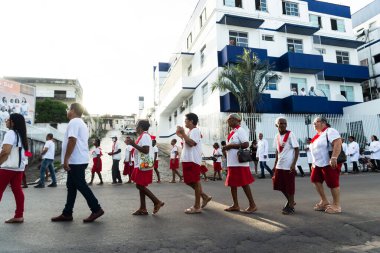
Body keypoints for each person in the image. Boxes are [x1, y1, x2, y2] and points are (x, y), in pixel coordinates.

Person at [51, 103, 104, 222]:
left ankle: (96, 209)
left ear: (73, 110)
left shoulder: (74, 122)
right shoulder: (80, 123)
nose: (67, 111)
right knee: (71, 186)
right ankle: (67, 213)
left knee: (80, 185)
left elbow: (72, 140)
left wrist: (66, 159)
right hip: (78, 159)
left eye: (68, 109)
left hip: (76, 161)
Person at [126, 120, 164, 215]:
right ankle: (143, 208)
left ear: (141, 127)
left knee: (139, 185)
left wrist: (133, 144)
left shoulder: (146, 136)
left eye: (137, 125)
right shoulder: (142, 136)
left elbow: (146, 150)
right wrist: (132, 143)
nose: (136, 127)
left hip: (143, 164)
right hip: (140, 163)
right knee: (140, 185)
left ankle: (157, 201)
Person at [176, 113, 212, 214]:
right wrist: (181, 135)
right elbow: (188, 142)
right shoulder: (190, 131)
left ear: (191, 121)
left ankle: (197, 206)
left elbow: (192, 143)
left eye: (186, 120)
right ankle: (204, 196)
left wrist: (183, 134)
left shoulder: (195, 130)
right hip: (188, 159)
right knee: (188, 181)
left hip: (192, 160)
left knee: (195, 181)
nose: (185, 122)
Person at [223, 113, 257, 213]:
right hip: (232, 163)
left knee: (244, 183)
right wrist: (226, 148)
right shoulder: (233, 132)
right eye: (228, 120)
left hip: (239, 163)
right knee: (232, 184)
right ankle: (235, 205)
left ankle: (252, 205)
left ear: (236, 120)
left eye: (230, 119)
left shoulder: (240, 130)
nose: (228, 121)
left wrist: (230, 146)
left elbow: (246, 144)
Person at [309, 116, 343, 214]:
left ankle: (336, 205)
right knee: (315, 179)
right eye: (313, 123)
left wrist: (334, 157)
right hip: (318, 163)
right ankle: (324, 201)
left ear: (323, 122)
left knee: (332, 183)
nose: (314, 124)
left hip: (329, 162)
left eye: (316, 122)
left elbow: (338, 142)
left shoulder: (330, 131)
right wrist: (313, 162)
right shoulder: (317, 135)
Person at [0, 113, 28, 223]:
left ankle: (19, 216)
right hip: (19, 167)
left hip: (7, 167)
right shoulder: (21, 134)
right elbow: (26, 152)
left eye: (8, 119)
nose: (6, 121)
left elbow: (6, 151)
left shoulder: (10, 133)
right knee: (17, 190)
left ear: (13, 122)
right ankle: (19, 215)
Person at [272, 117, 299, 215]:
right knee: (279, 185)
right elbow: (277, 151)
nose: (283, 125)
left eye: (284, 123)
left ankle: (291, 206)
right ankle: (291, 201)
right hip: (280, 164)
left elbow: (296, 149)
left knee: (289, 186)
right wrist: (275, 163)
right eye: (281, 123)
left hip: (288, 165)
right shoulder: (276, 136)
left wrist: (293, 164)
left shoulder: (291, 134)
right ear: (277, 125)